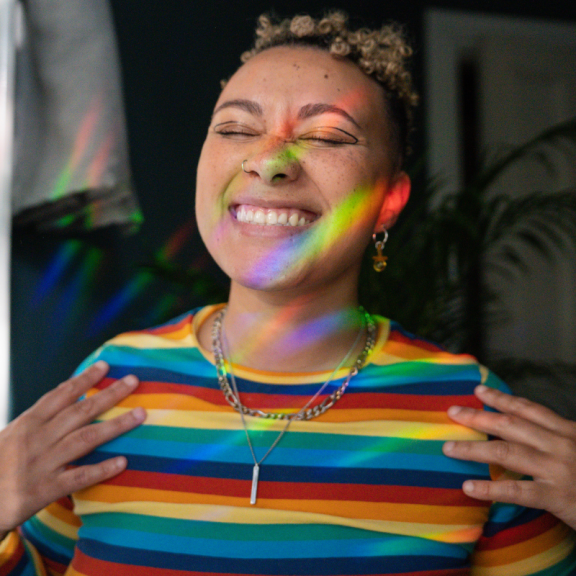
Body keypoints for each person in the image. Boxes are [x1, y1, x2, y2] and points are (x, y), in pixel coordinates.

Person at [1, 11, 576, 575]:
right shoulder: (108, 385)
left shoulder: (475, 416)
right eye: (235, 128)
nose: (271, 161)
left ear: (388, 202)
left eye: (327, 135)